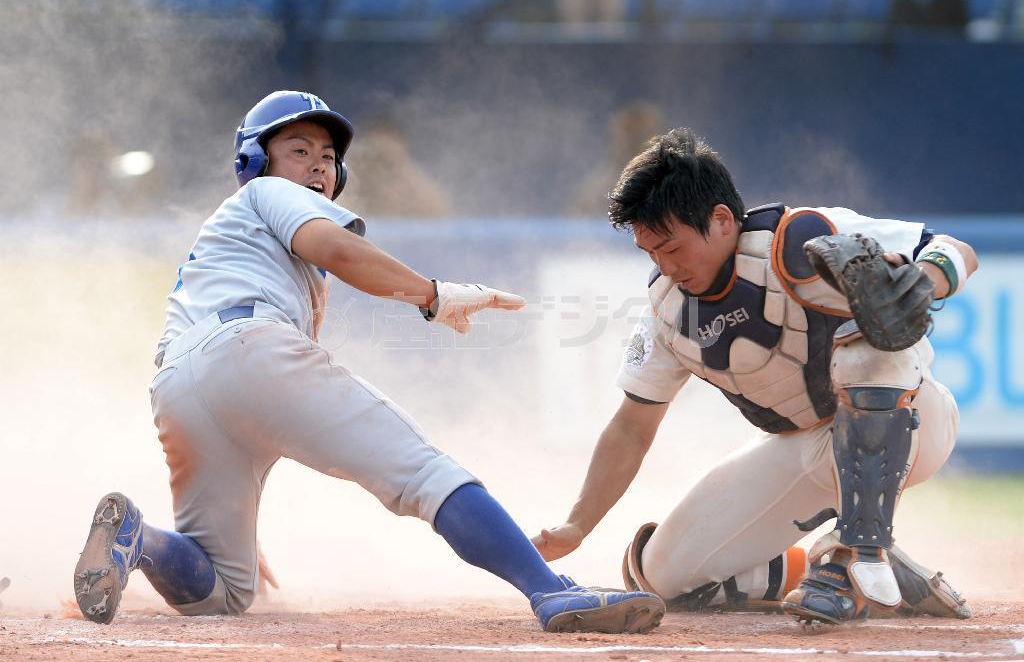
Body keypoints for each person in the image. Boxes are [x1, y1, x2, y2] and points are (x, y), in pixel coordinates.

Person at [73, 90, 665, 634]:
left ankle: (139, 538)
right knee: (426, 475)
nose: (317, 166)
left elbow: (242, 392)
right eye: (297, 150)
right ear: (257, 163)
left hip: (179, 384)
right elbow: (336, 250)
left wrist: (237, 505)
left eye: (327, 156)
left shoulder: (239, 240)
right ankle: (550, 588)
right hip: (245, 348)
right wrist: (434, 295)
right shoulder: (267, 194)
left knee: (224, 591)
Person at [533, 127, 977, 624]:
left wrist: (925, 279)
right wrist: (576, 525)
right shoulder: (668, 313)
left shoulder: (802, 238)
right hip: (809, 450)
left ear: (722, 220)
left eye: (672, 248)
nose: (664, 264)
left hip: (914, 420)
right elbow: (631, 427)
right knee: (660, 577)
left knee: (865, 338)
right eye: (650, 253)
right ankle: (883, 577)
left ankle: (859, 553)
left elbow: (954, 247)